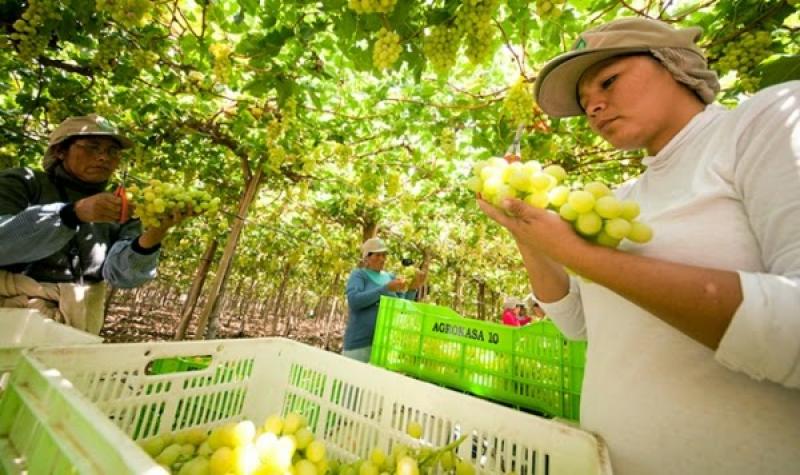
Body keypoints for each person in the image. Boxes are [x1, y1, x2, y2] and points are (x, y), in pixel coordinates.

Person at [478, 18, 800, 475]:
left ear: (674, 65)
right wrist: (527, 235)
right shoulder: (624, 199)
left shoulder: (766, 122)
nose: (594, 107)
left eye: (608, 81)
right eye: (584, 104)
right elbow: (578, 326)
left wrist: (578, 254)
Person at [0, 114, 193, 334]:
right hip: (10, 316)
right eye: (92, 147)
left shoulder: (120, 207)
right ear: (59, 151)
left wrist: (155, 234)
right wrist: (72, 214)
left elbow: (121, 276)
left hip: (78, 320)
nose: (104, 157)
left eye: (112, 151)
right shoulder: (24, 183)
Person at [342, 237, 426, 363]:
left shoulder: (390, 277)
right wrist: (385, 288)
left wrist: (413, 288)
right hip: (358, 345)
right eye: (377, 255)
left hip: (383, 346)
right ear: (367, 257)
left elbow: (401, 308)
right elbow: (354, 301)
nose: (382, 259)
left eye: (384, 255)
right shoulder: (359, 275)